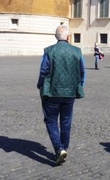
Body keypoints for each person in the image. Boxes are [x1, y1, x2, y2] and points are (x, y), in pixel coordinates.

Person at [37, 25, 86, 165]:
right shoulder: (77, 51)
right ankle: (64, 147)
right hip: (70, 93)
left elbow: (44, 71)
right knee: (66, 121)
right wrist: (79, 86)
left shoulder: (49, 51)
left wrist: (40, 85)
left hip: (52, 92)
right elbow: (82, 72)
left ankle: (59, 149)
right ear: (68, 37)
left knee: (51, 120)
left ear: (55, 37)